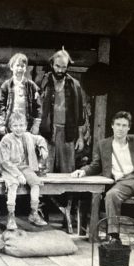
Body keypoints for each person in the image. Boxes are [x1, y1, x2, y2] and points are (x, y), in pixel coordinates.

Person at [71, 111, 134, 256]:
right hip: (120, 183)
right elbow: (96, 165)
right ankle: (114, 238)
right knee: (111, 195)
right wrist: (83, 171)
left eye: (124, 125)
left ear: (129, 128)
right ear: (112, 126)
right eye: (118, 125)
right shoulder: (103, 145)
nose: (120, 128)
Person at [38, 49, 88, 231]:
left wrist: (80, 137)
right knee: (44, 172)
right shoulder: (43, 82)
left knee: (68, 173)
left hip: (68, 133)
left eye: (64, 67)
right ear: (52, 65)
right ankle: (42, 213)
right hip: (47, 133)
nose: (60, 70)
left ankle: (69, 217)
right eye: (57, 66)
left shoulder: (74, 85)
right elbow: (37, 109)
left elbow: (81, 114)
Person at [0, 111, 49, 230]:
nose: (18, 129)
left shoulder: (28, 136)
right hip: (9, 168)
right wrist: (18, 175)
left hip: (24, 167)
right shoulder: (6, 140)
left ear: (25, 126)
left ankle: (34, 213)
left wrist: (43, 148)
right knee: (13, 184)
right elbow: (4, 161)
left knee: (36, 183)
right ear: (10, 127)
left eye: (21, 125)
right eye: (15, 126)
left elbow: (40, 139)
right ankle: (11, 216)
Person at [0, 52, 41, 135]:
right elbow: (1, 106)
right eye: (17, 65)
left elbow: (38, 106)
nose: (20, 68)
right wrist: (2, 124)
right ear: (11, 67)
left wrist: (36, 125)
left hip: (26, 123)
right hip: (11, 123)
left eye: (22, 66)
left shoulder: (31, 86)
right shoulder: (6, 85)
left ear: (26, 68)